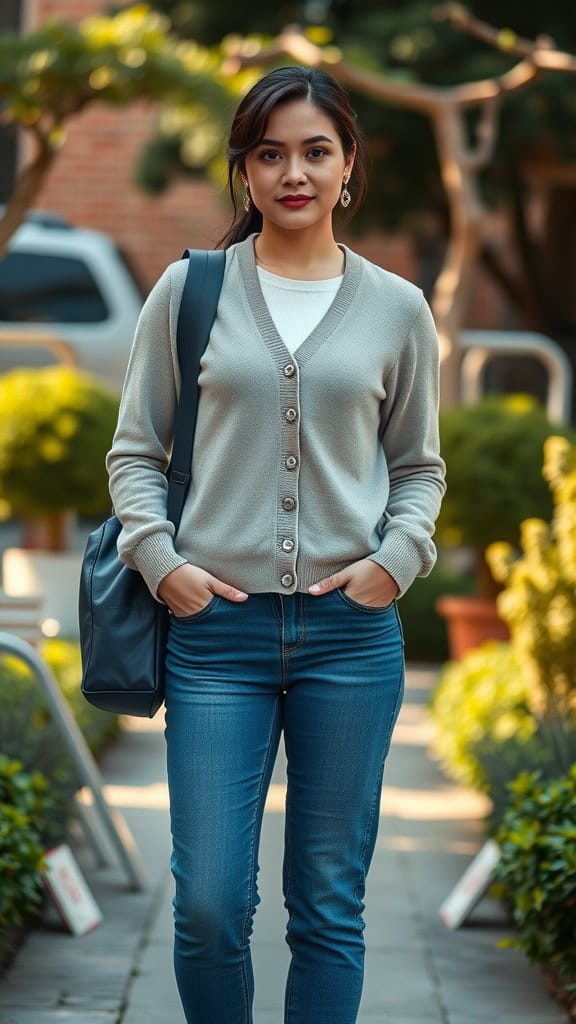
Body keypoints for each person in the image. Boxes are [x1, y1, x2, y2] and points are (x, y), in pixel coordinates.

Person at [107, 65, 446, 1024]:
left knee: (329, 909)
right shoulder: (190, 290)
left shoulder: (398, 309)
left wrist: (396, 562)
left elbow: (420, 467)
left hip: (352, 638)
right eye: (270, 153)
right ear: (244, 171)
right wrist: (163, 566)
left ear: (348, 168)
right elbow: (135, 452)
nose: (292, 172)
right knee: (211, 905)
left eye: (314, 151)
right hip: (217, 637)